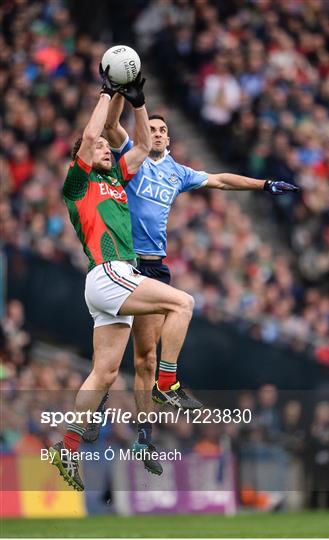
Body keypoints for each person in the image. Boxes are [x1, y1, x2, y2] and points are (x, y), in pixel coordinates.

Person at [84, 92, 300, 475]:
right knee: (116, 361)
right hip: (122, 264)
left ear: (169, 139)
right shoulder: (128, 155)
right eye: (151, 127)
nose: (157, 133)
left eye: (163, 130)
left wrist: (263, 184)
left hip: (153, 269)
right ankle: (132, 398)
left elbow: (220, 181)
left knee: (145, 359)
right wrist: (121, 93)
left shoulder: (177, 172)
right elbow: (111, 125)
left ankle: (144, 436)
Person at [48, 69, 202, 492]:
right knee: (182, 303)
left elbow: (139, 143)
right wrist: (104, 93)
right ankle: (168, 383)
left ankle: (69, 443)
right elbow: (92, 130)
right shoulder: (77, 184)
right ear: (81, 153)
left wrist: (135, 99)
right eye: (95, 146)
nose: (102, 146)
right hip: (111, 272)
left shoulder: (117, 178)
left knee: (105, 373)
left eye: (103, 146)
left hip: (106, 287)